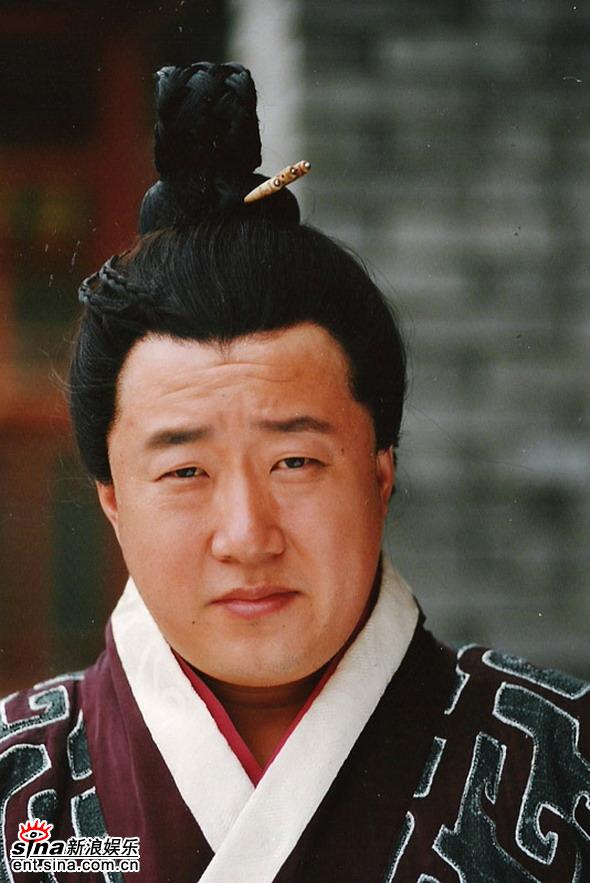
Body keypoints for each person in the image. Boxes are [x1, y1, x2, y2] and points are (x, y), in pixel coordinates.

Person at [1, 61, 589, 883]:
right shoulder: (15, 791)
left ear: (380, 473)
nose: (247, 535)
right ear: (112, 501)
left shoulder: (568, 761)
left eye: (295, 460)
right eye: (185, 471)